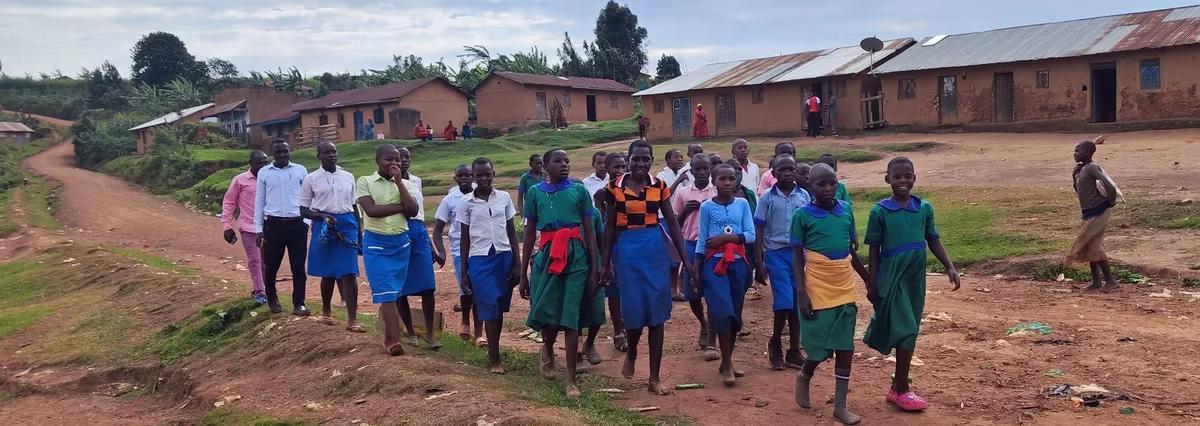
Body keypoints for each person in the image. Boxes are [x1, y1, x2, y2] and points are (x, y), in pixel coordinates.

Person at [862, 157, 960, 412]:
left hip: (915, 277)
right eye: (897, 177)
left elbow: (933, 239)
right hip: (891, 275)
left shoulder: (924, 208)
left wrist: (949, 266)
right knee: (906, 329)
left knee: (910, 326)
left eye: (908, 176)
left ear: (914, 178)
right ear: (888, 180)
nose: (903, 181)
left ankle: (899, 382)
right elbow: (873, 250)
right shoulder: (879, 211)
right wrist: (872, 283)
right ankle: (901, 389)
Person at [602, 140, 694, 396]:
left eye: (646, 159)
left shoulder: (659, 186)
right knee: (632, 312)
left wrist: (685, 259)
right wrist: (605, 262)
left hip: (654, 249)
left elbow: (673, 224)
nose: (641, 164)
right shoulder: (614, 188)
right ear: (628, 159)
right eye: (636, 159)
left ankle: (654, 377)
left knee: (656, 315)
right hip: (627, 250)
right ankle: (631, 352)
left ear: (651, 161)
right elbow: (609, 228)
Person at [520, 149, 605, 397]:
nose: (564, 164)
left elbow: (589, 230)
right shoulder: (535, 193)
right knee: (549, 309)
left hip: (577, 255)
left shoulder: (579, 192)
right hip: (547, 255)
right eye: (558, 161)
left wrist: (593, 266)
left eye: (567, 161)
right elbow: (529, 232)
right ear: (545, 166)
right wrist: (524, 270)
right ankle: (546, 349)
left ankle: (571, 380)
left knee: (571, 315)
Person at [791, 163, 869, 425]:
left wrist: (868, 280)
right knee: (820, 349)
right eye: (820, 184)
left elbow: (850, 250)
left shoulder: (845, 210)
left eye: (832, 183)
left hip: (844, 283)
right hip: (817, 283)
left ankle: (840, 406)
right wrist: (802, 292)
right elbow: (795, 256)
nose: (827, 188)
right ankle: (805, 373)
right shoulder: (802, 215)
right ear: (809, 187)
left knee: (845, 347)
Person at [458, 157, 522, 374]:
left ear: (494, 173)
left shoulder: (503, 197)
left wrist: (517, 262)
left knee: (499, 307)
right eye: (479, 175)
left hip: (503, 257)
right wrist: (464, 271)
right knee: (488, 305)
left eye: (488, 174)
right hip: (479, 259)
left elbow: (512, 231)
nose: (484, 178)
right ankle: (495, 358)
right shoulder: (466, 203)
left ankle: (494, 350)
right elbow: (464, 237)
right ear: (474, 177)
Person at [356, 144, 422, 356]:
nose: (394, 163)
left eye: (397, 159)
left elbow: (412, 211)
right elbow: (372, 211)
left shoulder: (407, 184)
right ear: (377, 161)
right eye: (388, 159)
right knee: (386, 292)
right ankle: (393, 341)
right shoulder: (365, 182)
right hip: (376, 244)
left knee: (394, 291)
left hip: (400, 244)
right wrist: (400, 207)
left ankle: (389, 336)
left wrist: (399, 184)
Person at [696, 164, 755, 386]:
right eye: (722, 179)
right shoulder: (706, 207)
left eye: (731, 179)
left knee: (735, 315)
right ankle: (727, 364)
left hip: (738, 264)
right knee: (722, 312)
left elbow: (750, 235)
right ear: (714, 181)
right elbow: (703, 240)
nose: (727, 183)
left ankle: (727, 361)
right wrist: (696, 268)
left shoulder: (742, 204)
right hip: (714, 265)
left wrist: (725, 238)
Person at [753, 154, 810, 370]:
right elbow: (759, 229)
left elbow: (809, 228)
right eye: (782, 170)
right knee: (784, 301)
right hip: (775, 254)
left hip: (798, 255)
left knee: (797, 304)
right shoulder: (767, 197)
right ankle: (775, 340)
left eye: (791, 169)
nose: (787, 173)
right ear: (774, 173)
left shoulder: (803, 196)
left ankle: (794, 350)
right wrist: (759, 262)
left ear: (796, 171)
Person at [299, 141, 363, 332]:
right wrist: (322, 216)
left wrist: (359, 233)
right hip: (324, 225)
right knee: (328, 272)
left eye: (334, 151)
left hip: (347, 225)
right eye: (326, 152)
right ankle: (326, 310)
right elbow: (303, 210)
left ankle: (353, 319)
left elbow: (354, 206)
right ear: (318, 155)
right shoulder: (311, 179)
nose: (331, 155)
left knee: (350, 272)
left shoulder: (348, 176)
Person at [254, 139, 310, 315]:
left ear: (289, 151)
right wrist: (259, 228)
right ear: (272, 154)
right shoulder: (264, 172)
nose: (282, 155)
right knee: (271, 266)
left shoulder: (300, 170)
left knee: (298, 267)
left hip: (297, 225)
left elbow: (308, 198)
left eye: (285, 151)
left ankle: (299, 303)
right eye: (278, 152)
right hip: (274, 225)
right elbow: (259, 200)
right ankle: (272, 299)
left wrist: (306, 222)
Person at [671, 154, 719, 360]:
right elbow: (675, 222)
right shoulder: (683, 193)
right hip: (690, 245)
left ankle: (712, 341)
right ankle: (704, 324)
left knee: (714, 293)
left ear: (710, 170)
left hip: (713, 246)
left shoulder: (717, 191)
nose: (701, 173)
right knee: (692, 294)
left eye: (705, 169)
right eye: (697, 169)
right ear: (691, 171)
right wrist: (686, 212)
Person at [396, 147, 441, 350]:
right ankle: (411, 332)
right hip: (398, 231)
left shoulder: (416, 181)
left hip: (418, 232)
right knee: (401, 287)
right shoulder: (388, 183)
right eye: (400, 157)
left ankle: (430, 333)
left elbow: (420, 214)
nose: (404, 160)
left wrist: (431, 243)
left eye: (407, 157)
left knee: (428, 286)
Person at [1067, 139, 1122, 291]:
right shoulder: (1081, 170)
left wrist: (1109, 202)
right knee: (1091, 244)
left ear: (1087, 153)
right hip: (1088, 212)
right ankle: (1097, 281)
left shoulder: (1091, 168)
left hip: (1099, 210)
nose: (1074, 154)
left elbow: (1109, 185)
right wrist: (1074, 177)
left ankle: (1110, 281)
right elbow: (1080, 192)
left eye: (1077, 151)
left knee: (1092, 243)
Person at [432, 164, 478, 343]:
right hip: (460, 250)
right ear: (455, 179)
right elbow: (437, 230)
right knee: (466, 288)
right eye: (461, 175)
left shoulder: (481, 195)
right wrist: (442, 252)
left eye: (468, 175)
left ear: (473, 176)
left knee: (480, 290)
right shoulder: (450, 200)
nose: (465, 178)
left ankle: (480, 331)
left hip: (482, 249)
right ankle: (465, 321)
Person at [221, 150, 270, 305]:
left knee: (266, 261)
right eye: (259, 162)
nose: (262, 166)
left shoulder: (271, 179)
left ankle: (266, 289)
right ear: (251, 163)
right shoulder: (240, 180)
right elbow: (229, 202)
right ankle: (259, 292)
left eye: (265, 162)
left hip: (270, 227)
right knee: (255, 259)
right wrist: (227, 226)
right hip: (249, 228)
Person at [597, 152, 628, 353]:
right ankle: (618, 331)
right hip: (612, 245)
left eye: (623, 166)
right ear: (605, 169)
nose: (619, 171)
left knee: (630, 288)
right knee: (615, 291)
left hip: (631, 243)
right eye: (615, 167)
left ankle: (629, 327)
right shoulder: (601, 194)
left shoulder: (633, 190)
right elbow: (600, 224)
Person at [724, 158, 761, 301]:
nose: (738, 172)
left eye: (740, 169)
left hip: (747, 245)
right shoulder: (716, 196)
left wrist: (758, 250)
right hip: (725, 246)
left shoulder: (749, 194)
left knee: (744, 280)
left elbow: (755, 222)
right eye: (735, 169)